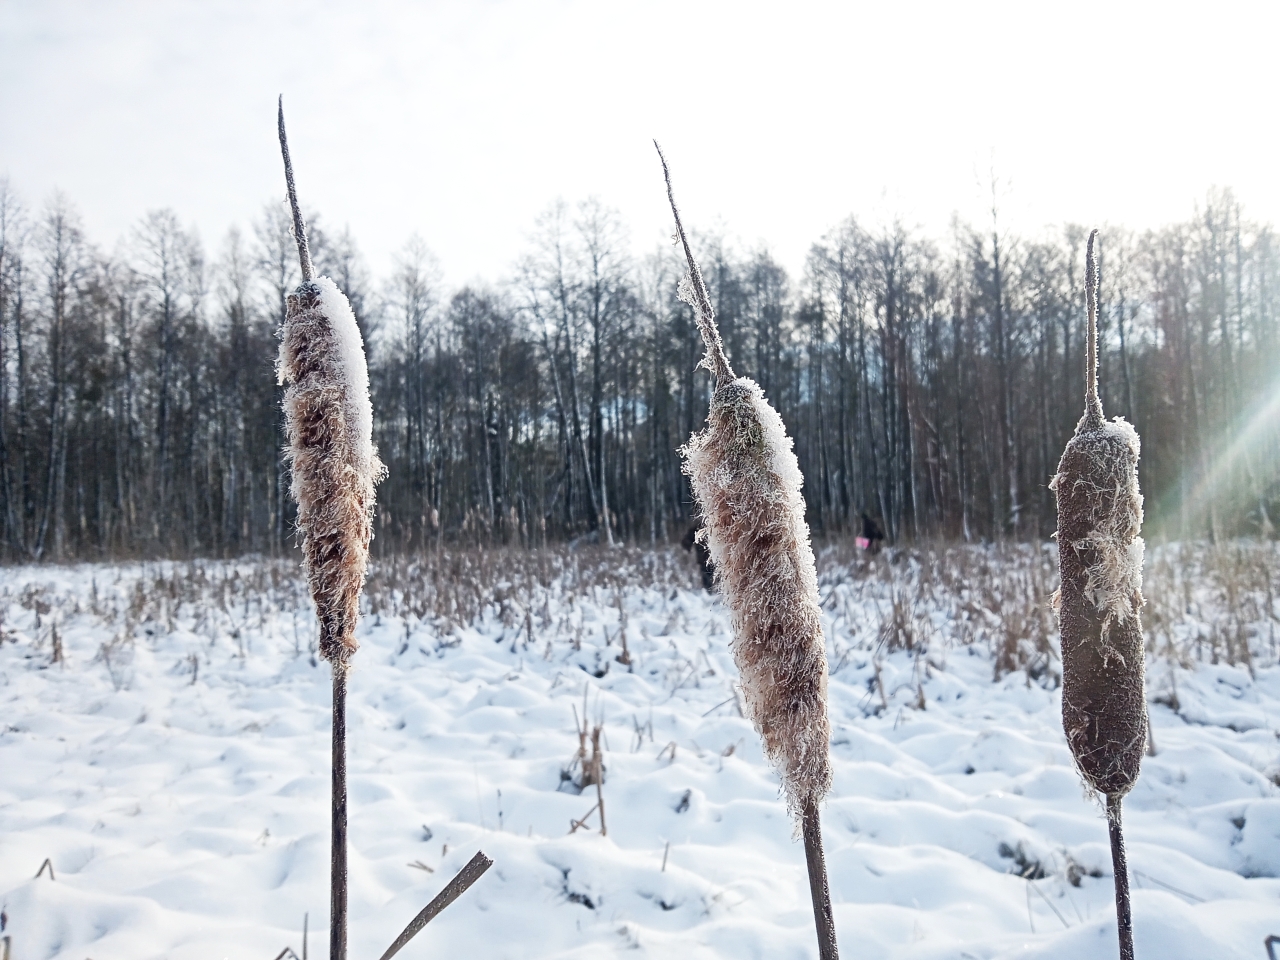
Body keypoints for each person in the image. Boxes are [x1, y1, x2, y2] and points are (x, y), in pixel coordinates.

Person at [682, 523, 716, 590]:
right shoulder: (697, 529)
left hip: (712, 558)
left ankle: (711, 592)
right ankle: (709, 593)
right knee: (708, 577)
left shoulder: (716, 525)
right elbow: (686, 541)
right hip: (706, 558)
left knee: (710, 577)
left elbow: (686, 541)